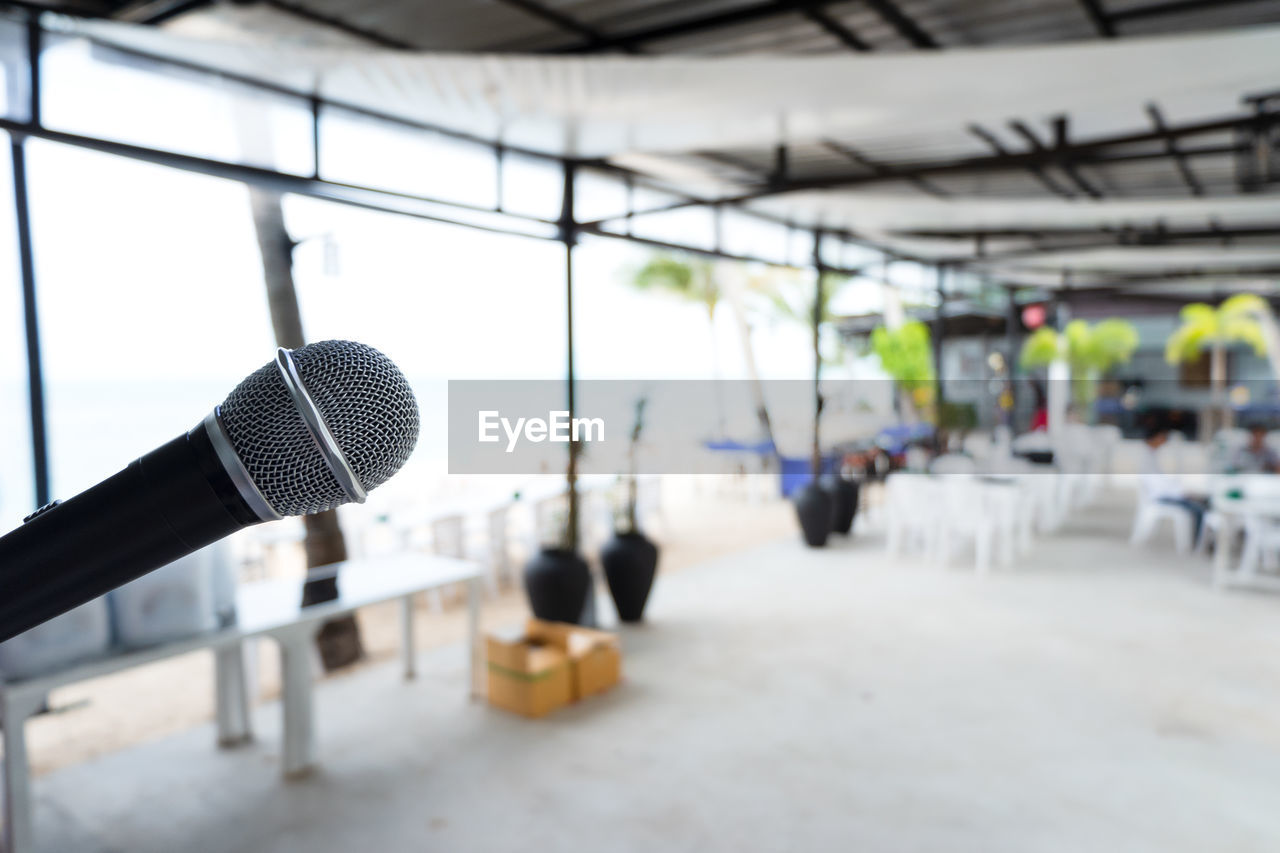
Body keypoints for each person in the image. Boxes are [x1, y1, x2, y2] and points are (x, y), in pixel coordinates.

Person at [1141, 424, 1207, 541]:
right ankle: (1198, 542)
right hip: (1162, 496)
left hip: (1166, 493)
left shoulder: (1152, 455)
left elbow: (1162, 481)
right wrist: (1181, 493)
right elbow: (1158, 486)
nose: (1165, 441)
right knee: (1199, 509)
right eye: (1163, 437)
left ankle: (1200, 540)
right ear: (1156, 437)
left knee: (1202, 502)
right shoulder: (1147, 458)